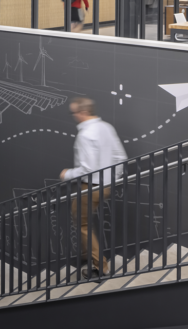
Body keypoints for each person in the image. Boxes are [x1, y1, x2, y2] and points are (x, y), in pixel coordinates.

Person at [59, 97, 126, 279]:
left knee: (82, 225)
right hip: (104, 185)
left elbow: (87, 168)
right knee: (83, 222)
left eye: (74, 113)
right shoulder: (106, 127)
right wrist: (111, 179)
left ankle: (100, 266)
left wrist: (67, 174)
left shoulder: (85, 135)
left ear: (83, 112)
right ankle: (90, 256)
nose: (73, 116)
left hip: (90, 187)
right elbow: (120, 157)